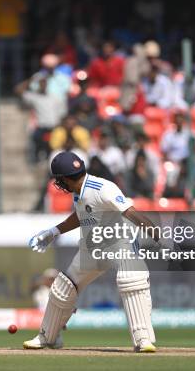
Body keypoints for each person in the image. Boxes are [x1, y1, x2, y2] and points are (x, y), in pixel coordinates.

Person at [24, 151, 158, 352]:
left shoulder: (103, 188)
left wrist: (156, 233)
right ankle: (47, 338)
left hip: (119, 244)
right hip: (92, 248)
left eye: (60, 180)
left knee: (131, 278)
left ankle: (143, 339)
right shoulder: (79, 191)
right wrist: (53, 232)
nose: (59, 184)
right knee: (62, 287)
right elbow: (80, 216)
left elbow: (131, 213)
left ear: (65, 179)